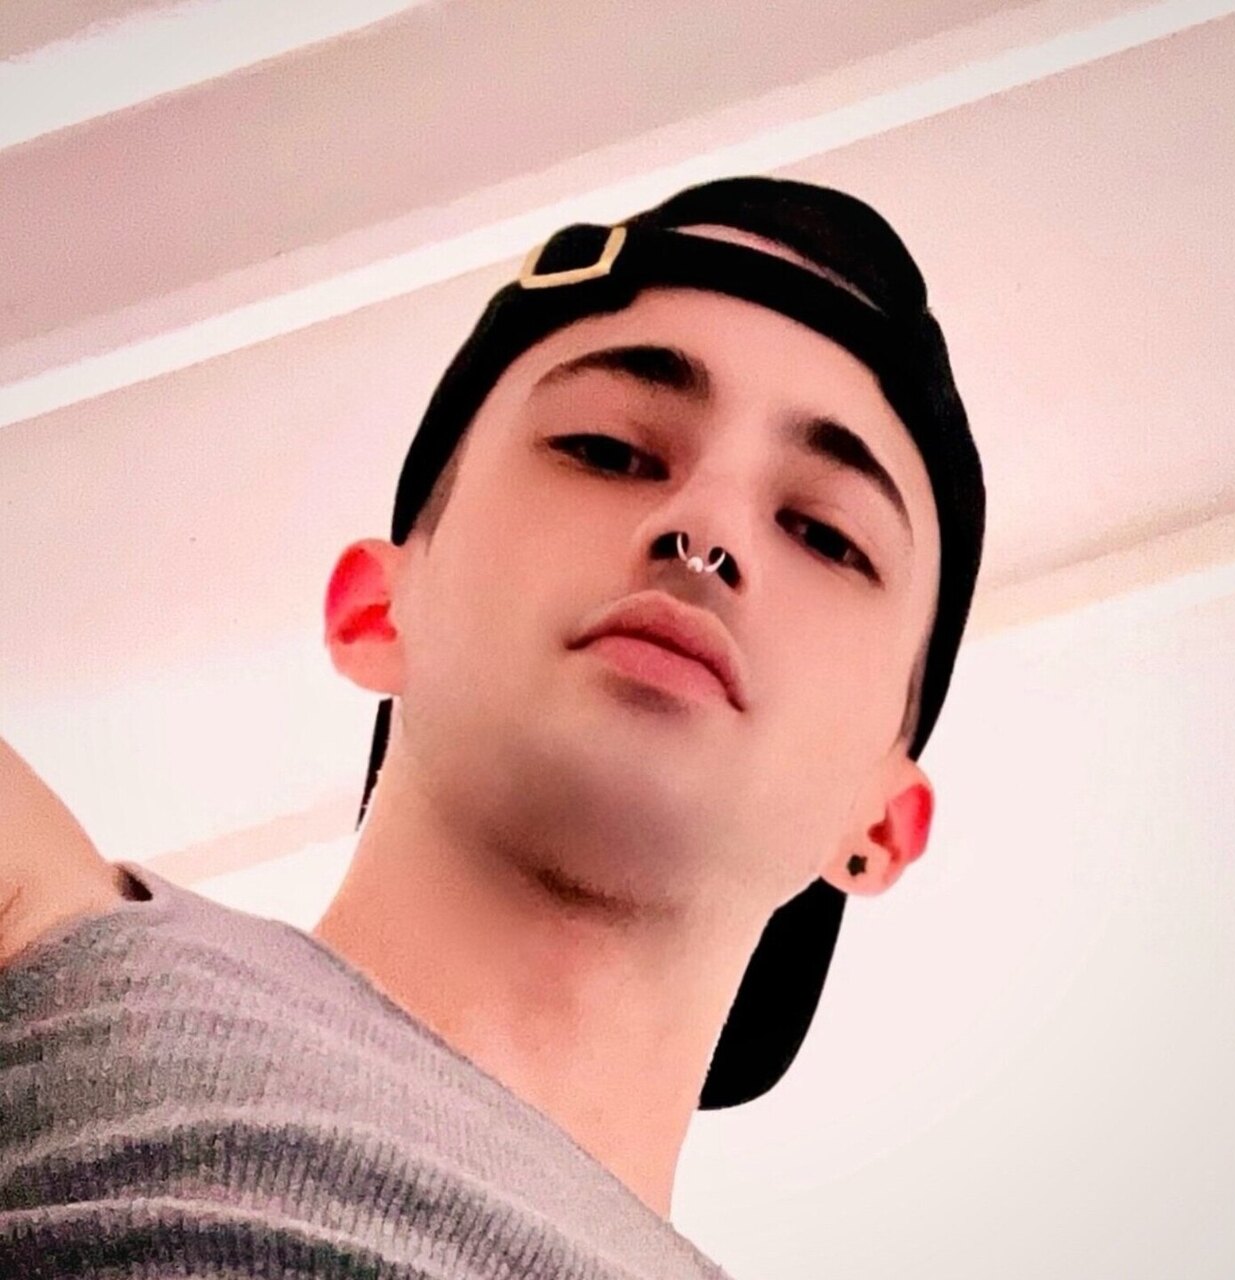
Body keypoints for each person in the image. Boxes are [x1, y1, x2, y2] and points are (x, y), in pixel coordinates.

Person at [0, 176, 986, 1277]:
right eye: (607, 450)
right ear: (377, 610)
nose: (704, 531)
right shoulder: (36, 930)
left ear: (881, 821)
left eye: (823, 533)